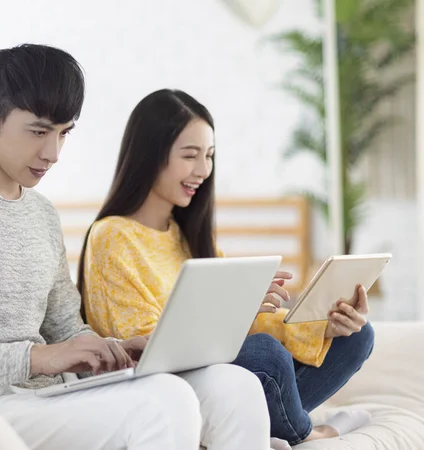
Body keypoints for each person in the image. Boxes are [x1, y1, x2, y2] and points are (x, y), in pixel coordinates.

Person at [0, 44, 272, 450]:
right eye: (38, 131)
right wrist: (41, 357)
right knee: (163, 404)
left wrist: (117, 351)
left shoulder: (40, 213)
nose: (52, 154)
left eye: (63, 133)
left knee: (235, 386)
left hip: (48, 395)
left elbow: (66, 327)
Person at [79, 88, 375, 448]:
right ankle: (307, 430)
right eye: (190, 156)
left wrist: (324, 325)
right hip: (173, 381)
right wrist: (231, 314)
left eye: (209, 156)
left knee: (357, 336)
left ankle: (278, 423)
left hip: (222, 366)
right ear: (149, 156)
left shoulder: (188, 236)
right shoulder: (112, 237)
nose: (203, 170)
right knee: (265, 354)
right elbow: (144, 348)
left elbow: (247, 325)